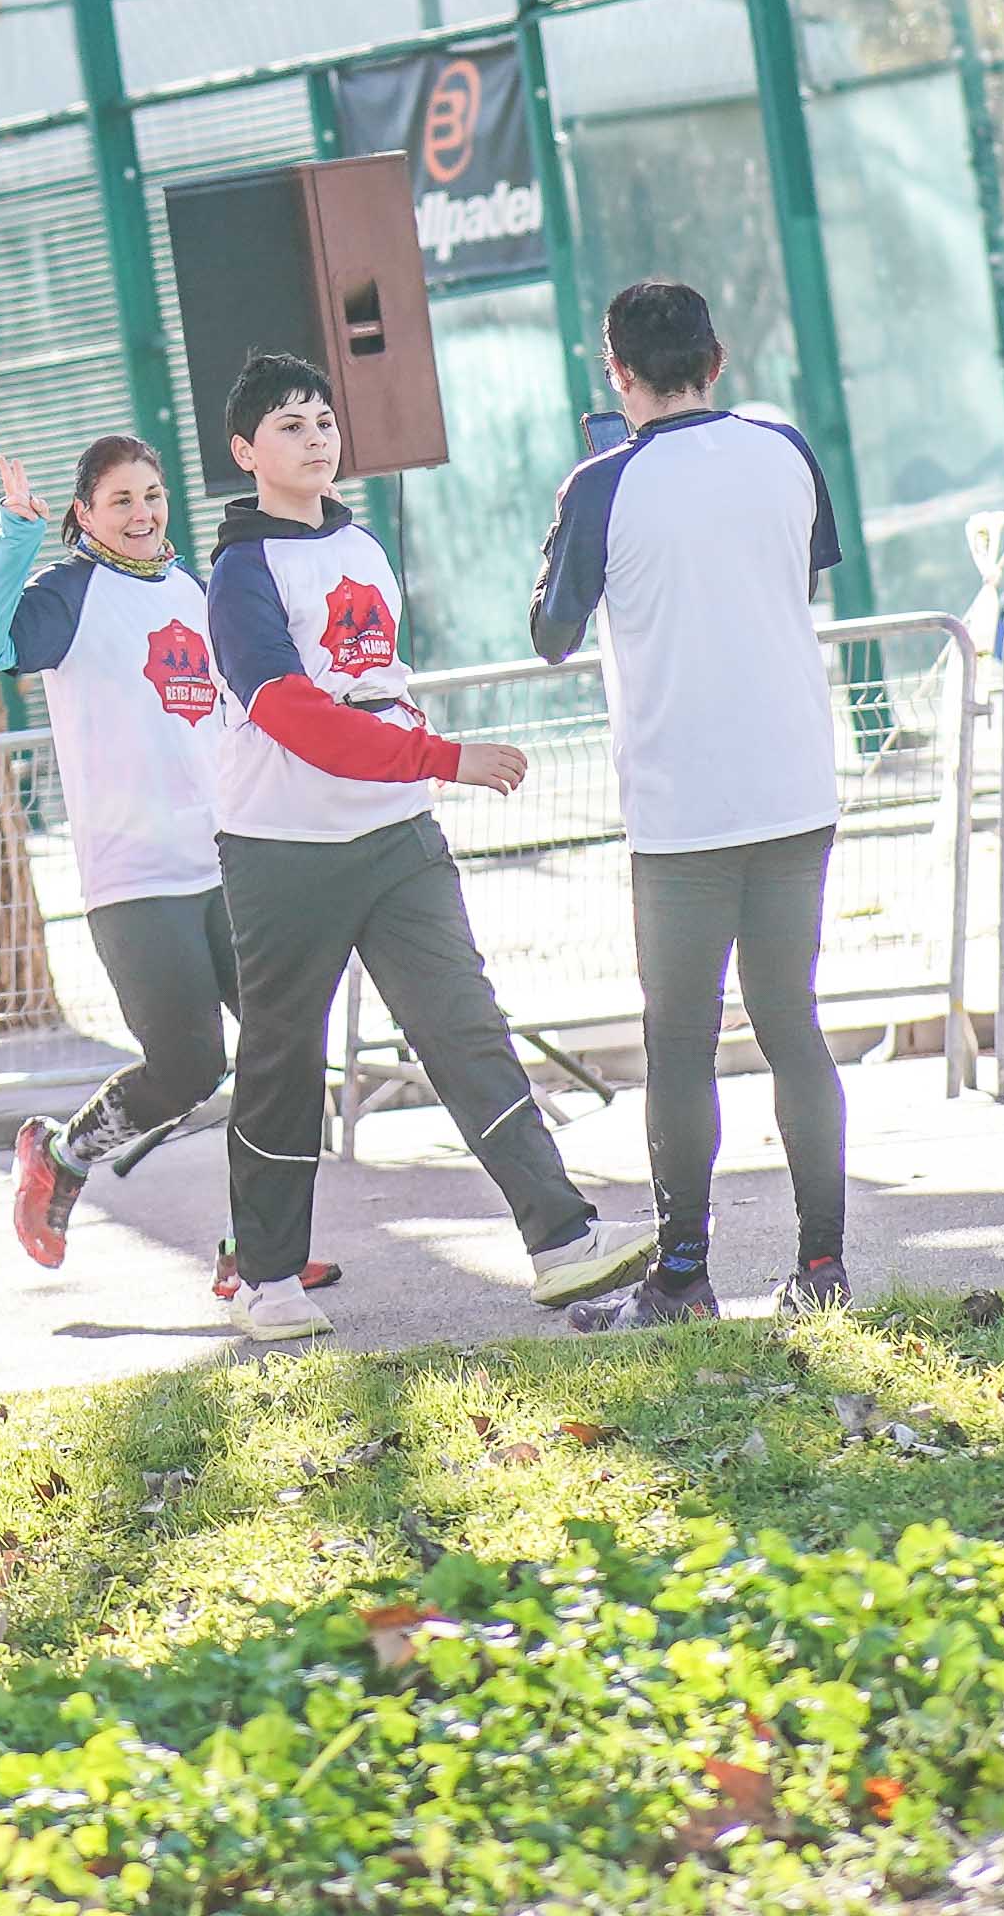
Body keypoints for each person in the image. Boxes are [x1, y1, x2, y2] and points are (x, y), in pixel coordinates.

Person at [202, 351, 649, 1339]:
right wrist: (443, 754)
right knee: (282, 1062)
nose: (316, 436)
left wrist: (418, 761)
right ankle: (267, 1278)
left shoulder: (357, 542)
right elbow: (293, 716)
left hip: (397, 838)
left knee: (466, 1028)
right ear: (244, 452)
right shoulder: (239, 572)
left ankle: (560, 1237)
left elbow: (374, 685)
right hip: (284, 851)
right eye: (289, 425)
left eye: (323, 418)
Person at [533, 278, 857, 1325]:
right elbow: (794, 570)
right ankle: (821, 1268)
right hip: (796, 781)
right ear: (717, 360)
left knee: (679, 1040)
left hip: (682, 805)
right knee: (791, 1023)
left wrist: (576, 503)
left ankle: (682, 1275)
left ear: (618, 374)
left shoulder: (600, 485)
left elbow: (551, 633)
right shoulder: (786, 449)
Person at [0, 432, 233, 1266]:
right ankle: (62, 1157)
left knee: (285, 1055)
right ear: (86, 515)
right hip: (136, 878)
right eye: (121, 500)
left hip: (229, 862)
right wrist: (14, 536)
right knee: (187, 1068)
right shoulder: (70, 594)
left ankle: (262, 1248)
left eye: (152, 495)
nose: (142, 513)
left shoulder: (196, 587)